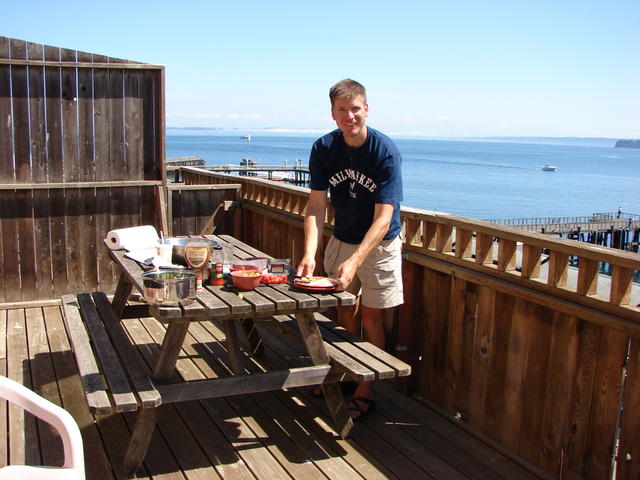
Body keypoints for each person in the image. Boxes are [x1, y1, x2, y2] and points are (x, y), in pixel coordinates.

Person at [296, 79, 404, 421]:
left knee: (371, 316)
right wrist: (310, 253)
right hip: (342, 237)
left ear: (367, 109)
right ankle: (343, 374)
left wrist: (357, 260)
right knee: (344, 311)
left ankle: (366, 388)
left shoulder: (384, 152)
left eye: (355, 108)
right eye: (341, 110)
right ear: (332, 113)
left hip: (379, 243)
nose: (349, 116)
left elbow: (384, 218)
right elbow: (315, 206)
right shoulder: (324, 149)